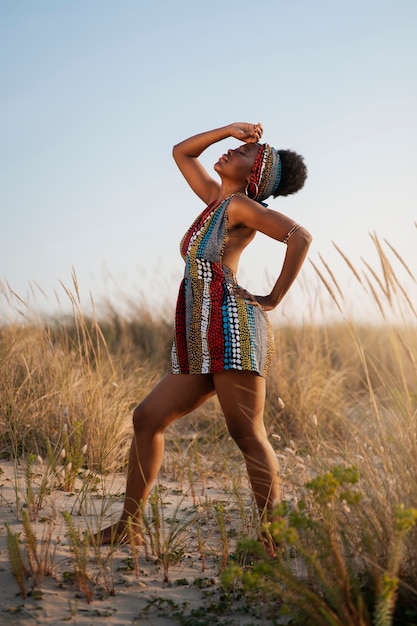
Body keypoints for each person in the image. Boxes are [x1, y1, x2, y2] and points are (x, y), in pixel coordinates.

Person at [94, 122, 312, 552]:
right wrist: (229, 128)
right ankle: (128, 525)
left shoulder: (242, 208)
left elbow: (299, 236)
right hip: (201, 331)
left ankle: (273, 543)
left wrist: (273, 297)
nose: (234, 149)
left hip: (232, 328)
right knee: (147, 418)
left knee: (248, 435)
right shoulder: (217, 200)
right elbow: (181, 152)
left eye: (247, 152)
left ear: (258, 174)